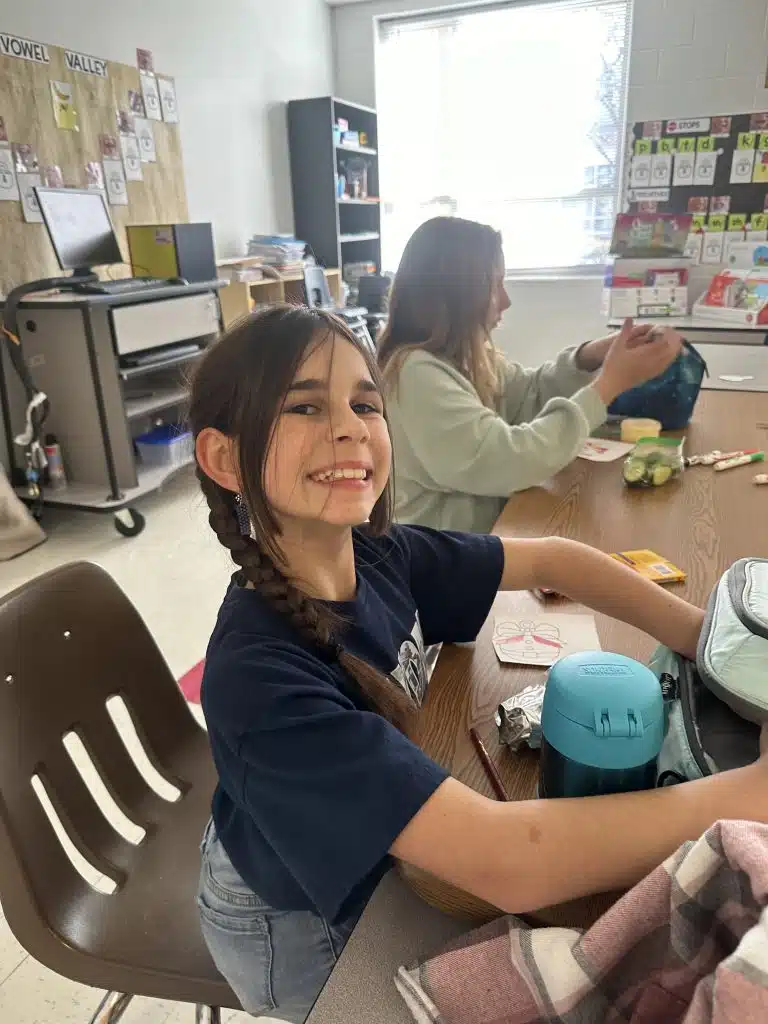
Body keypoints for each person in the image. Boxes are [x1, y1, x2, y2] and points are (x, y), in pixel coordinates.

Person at [191, 304, 767, 1024]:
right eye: (304, 406)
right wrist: (751, 792)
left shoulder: (380, 554)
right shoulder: (258, 678)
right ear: (224, 458)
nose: (349, 427)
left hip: (356, 836)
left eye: (364, 404)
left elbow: (555, 560)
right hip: (294, 923)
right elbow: (508, 863)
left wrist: (706, 640)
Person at [378, 217, 684, 532]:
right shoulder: (415, 375)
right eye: (495, 285)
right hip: (443, 558)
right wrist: (607, 385)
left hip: (482, 541)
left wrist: (591, 356)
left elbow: (528, 394)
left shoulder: (462, 357)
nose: (506, 301)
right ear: (459, 295)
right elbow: (510, 460)